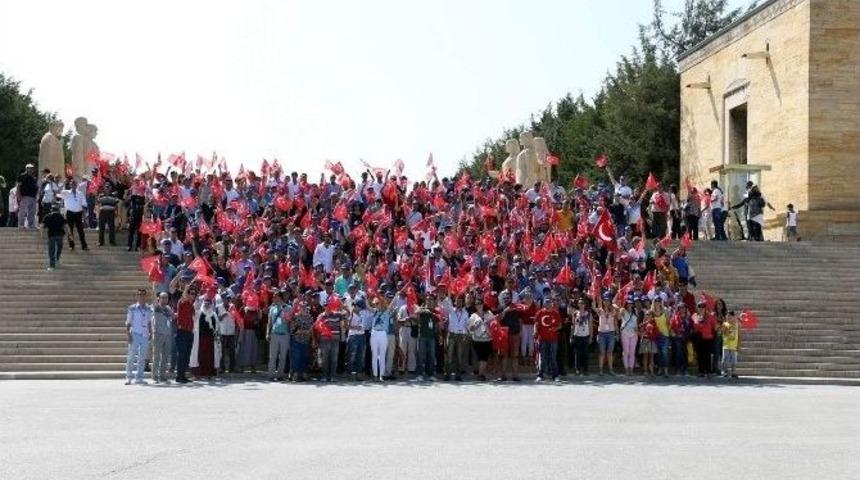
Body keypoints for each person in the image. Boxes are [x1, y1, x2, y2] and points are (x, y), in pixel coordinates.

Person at [125, 289, 153, 385]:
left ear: (145, 296)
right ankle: (129, 377)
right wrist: (128, 334)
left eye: (143, 294)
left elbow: (149, 321)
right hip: (135, 333)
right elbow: (128, 322)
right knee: (131, 356)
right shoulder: (132, 308)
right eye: (139, 294)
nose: (141, 296)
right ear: (137, 296)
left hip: (144, 334)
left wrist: (151, 332)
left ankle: (139, 377)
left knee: (142, 357)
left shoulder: (149, 308)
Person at [368, 294, 395, 382]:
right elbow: (368, 306)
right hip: (374, 334)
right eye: (375, 303)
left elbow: (392, 304)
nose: (376, 305)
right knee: (374, 356)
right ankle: (375, 375)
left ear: (382, 303)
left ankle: (381, 375)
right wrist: (366, 296)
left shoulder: (387, 312)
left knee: (382, 356)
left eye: (378, 303)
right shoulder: (375, 311)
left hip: (383, 334)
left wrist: (396, 296)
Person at [535, 297, 562, 381]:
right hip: (542, 338)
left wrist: (555, 329)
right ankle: (540, 375)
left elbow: (560, 325)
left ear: (551, 303)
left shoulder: (556, 313)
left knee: (553, 358)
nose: (548, 304)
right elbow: (536, 324)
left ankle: (555, 376)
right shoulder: (539, 313)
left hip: (553, 338)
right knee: (543, 358)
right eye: (546, 302)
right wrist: (535, 332)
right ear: (544, 304)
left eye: (549, 302)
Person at [444, 295, 470, 381]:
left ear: (462, 303)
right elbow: (447, 300)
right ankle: (447, 374)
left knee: (459, 356)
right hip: (451, 335)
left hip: (460, 335)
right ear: (455, 302)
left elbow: (466, 325)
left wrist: (465, 335)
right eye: (457, 301)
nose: (458, 303)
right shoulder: (451, 310)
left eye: (460, 301)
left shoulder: (465, 313)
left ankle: (458, 375)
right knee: (449, 356)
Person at [266, 290, 290, 381]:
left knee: (283, 356)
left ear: (280, 297)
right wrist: (267, 333)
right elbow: (269, 322)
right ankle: (271, 375)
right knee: (272, 356)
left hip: (285, 334)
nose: (273, 298)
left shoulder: (288, 308)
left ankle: (280, 375)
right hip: (274, 334)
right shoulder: (272, 308)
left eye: (275, 296)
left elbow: (290, 321)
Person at [174, 285, 196, 384]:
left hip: (189, 332)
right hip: (182, 332)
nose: (193, 295)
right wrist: (186, 288)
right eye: (191, 293)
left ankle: (183, 375)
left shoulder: (192, 305)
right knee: (182, 355)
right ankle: (179, 376)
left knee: (187, 355)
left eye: (194, 294)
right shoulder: (182, 302)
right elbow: (183, 296)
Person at [151, 292, 174, 383]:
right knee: (156, 356)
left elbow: (172, 317)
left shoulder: (168, 308)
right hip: (158, 334)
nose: (165, 299)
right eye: (163, 297)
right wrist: (154, 288)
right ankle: (155, 376)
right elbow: (154, 300)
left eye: (166, 297)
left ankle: (162, 375)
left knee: (165, 357)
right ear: (159, 298)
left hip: (167, 335)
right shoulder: (156, 307)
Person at [415, 296, 440, 382]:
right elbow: (416, 312)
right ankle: (420, 374)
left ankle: (431, 374)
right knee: (421, 356)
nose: (429, 301)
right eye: (428, 300)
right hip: (422, 336)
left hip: (431, 337)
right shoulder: (422, 309)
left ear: (433, 302)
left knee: (431, 356)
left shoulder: (435, 311)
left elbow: (438, 324)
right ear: (426, 301)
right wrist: (426, 310)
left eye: (431, 300)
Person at [467, 300, 493, 381]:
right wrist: (475, 326)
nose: (479, 305)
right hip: (477, 339)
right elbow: (469, 329)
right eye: (477, 304)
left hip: (487, 338)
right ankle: (480, 374)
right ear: (475, 306)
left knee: (484, 357)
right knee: (480, 357)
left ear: (483, 304)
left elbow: (494, 323)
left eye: (480, 304)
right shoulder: (473, 316)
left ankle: (481, 374)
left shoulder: (488, 313)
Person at [60, 178, 88, 250]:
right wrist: (64, 184)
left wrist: (85, 214)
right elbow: (58, 194)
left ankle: (84, 246)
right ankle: (71, 245)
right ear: (70, 185)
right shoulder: (65, 192)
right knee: (70, 230)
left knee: (80, 230)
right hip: (69, 213)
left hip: (78, 213)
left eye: (75, 184)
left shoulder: (80, 193)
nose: (73, 185)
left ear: (77, 185)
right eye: (72, 184)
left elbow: (84, 204)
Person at [595, 294, 618, 375]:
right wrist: (596, 296)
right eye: (605, 300)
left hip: (611, 333)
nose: (606, 302)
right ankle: (601, 370)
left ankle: (611, 369)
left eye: (608, 300)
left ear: (610, 302)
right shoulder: (600, 310)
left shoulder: (613, 310)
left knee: (610, 352)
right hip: (601, 333)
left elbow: (616, 319)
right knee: (602, 352)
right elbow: (594, 307)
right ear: (603, 301)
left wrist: (617, 333)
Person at [41, 204, 67, 271]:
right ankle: (57, 259)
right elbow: (65, 226)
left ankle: (52, 266)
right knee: (59, 247)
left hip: (51, 235)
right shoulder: (61, 216)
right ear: (58, 210)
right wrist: (68, 235)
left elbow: (42, 226)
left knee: (51, 250)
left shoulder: (47, 216)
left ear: (51, 210)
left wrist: (42, 235)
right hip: (60, 235)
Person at [570, 298, 593, 376]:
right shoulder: (575, 313)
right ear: (578, 304)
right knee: (577, 353)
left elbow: (590, 326)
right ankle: (578, 369)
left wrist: (591, 336)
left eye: (582, 303)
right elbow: (573, 325)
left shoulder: (588, 314)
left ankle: (585, 369)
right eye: (580, 303)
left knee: (585, 353)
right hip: (577, 335)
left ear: (585, 304)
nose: (581, 304)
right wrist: (571, 336)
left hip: (586, 336)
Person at [618, 297, 639, 376]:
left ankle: (631, 370)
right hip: (625, 333)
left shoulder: (635, 312)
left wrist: (637, 329)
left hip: (634, 334)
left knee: (632, 353)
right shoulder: (623, 311)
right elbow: (618, 318)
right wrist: (620, 310)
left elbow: (636, 323)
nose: (630, 305)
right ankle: (626, 370)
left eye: (631, 303)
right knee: (626, 352)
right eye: (628, 303)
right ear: (626, 304)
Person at [16, 163, 39, 229]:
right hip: (25, 196)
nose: (31, 169)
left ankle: (31, 225)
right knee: (23, 211)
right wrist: (18, 194)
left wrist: (37, 195)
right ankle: (21, 225)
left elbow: (36, 187)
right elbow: (18, 186)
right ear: (26, 168)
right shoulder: (22, 176)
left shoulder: (34, 178)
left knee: (32, 211)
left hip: (33, 197)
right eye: (29, 168)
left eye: (32, 168)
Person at [720, 311, 740, 379]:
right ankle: (724, 371)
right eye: (727, 316)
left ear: (734, 317)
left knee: (734, 360)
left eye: (730, 316)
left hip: (734, 346)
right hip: (726, 345)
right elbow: (722, 332)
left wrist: (738, 344)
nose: (729, 317)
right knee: (725, 359)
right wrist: (726, 330)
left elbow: (738, 335)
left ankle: (733, 372)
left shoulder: (736, 324)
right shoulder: (725, 324)